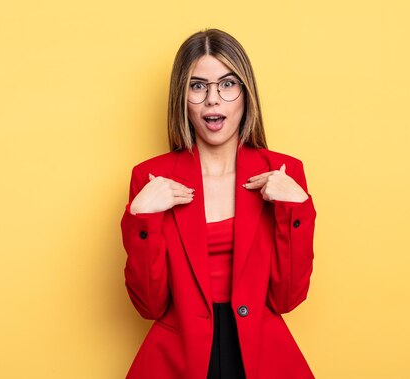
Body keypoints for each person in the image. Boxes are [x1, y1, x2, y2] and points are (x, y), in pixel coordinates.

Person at [120, 28, 316, 379]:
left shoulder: (284, 174)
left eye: (227, 84)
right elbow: (149, 305)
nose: (213, 99)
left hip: (260, 355)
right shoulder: (151, 178)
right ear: (182, 97)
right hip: (179, 360)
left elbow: (287, 298)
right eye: (198, 86)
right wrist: (142, 218)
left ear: (245, 93)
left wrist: (297, 208)